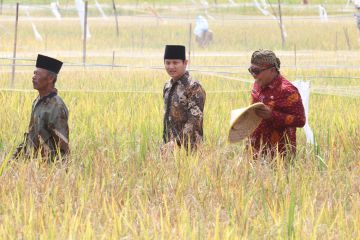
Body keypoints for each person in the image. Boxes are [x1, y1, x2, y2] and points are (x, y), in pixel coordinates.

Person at [248, 49, 305, 157]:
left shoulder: (288, 91)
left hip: (279, 156)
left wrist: (272, 115)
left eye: (257, 71)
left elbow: (300, 120)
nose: (253, 75)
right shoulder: (257, 85)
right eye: (251, 70)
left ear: (272, 70)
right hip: (255, 152)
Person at [13, 54, 69, 162]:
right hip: (33, 166)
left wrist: (60, 174)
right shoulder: (38, 101)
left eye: (38, 74)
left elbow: (63, 148)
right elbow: (31, 135)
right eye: (34, 73)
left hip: (48, 168)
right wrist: (13, 158)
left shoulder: (57, 107)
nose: (33, 77)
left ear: (50, 78)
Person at [162, 45, 206, 153]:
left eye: (175, 63)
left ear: (185, 63)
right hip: (169, 147)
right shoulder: (167, 86)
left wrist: (176, 143)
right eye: (167, 63)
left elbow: (195, 120)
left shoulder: (193, 87)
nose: (171, 67)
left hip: (190, 149)